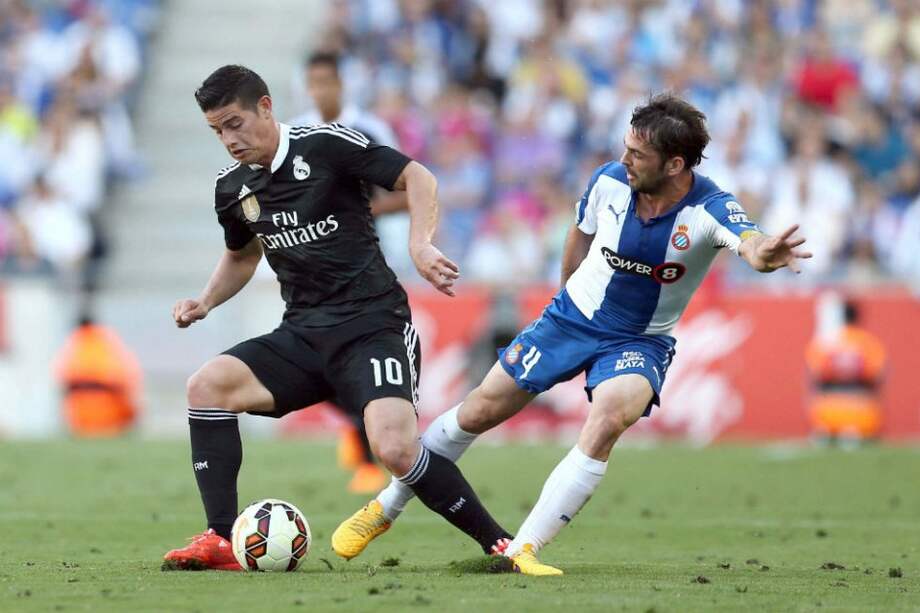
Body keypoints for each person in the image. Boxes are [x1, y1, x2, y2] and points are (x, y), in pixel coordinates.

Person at [333, 93, 813, 575]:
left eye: (637, 155)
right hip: (569, 319)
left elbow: (750, 243)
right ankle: (384, 508)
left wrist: (764, 252)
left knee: (608, 418)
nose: (624, 159)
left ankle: (523, 548)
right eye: (625, 147)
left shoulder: (710, 207)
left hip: (639, 340)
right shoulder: (609, 180)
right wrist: (562, 296)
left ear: (674, 164)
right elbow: (579, 231)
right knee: (478, 410)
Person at [163, 65, 512, 571]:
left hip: (372, 326)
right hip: (303, 334)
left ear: (265, 107)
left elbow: (418, 176)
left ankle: (501, 543)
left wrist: (420, 244)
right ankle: (220, 538)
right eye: (217, 130)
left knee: (393, 448)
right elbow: (242, 256)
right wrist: (206, 301)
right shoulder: (232, 187)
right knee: (207, 386)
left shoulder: (324, 146)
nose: (228, 139)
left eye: (234, 123)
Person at [289, 51, 407, 494]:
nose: (320, 91)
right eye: (313, 82)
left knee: (363, 356)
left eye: (327, 82)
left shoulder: (369, 130)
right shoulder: (296, 132)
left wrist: (355, 211)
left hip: (370, 261)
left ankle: (372, 449)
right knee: (322, 359)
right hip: (317, 265)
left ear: (341, 84)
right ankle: (361, 437)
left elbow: (408, 190)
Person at [806, 298, 886, 444]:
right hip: (861, 411)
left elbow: (813, 374)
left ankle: (825, 431)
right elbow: (879, 375)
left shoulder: (827, 342)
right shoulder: (869, 343)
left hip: (827, 410)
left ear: (841, 317)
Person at [53, 314, 142, 437]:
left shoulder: (74, 346)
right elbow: (127, 379)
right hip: (111, 420)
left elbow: (63, 380)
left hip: (81, 421)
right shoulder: (108, 344)